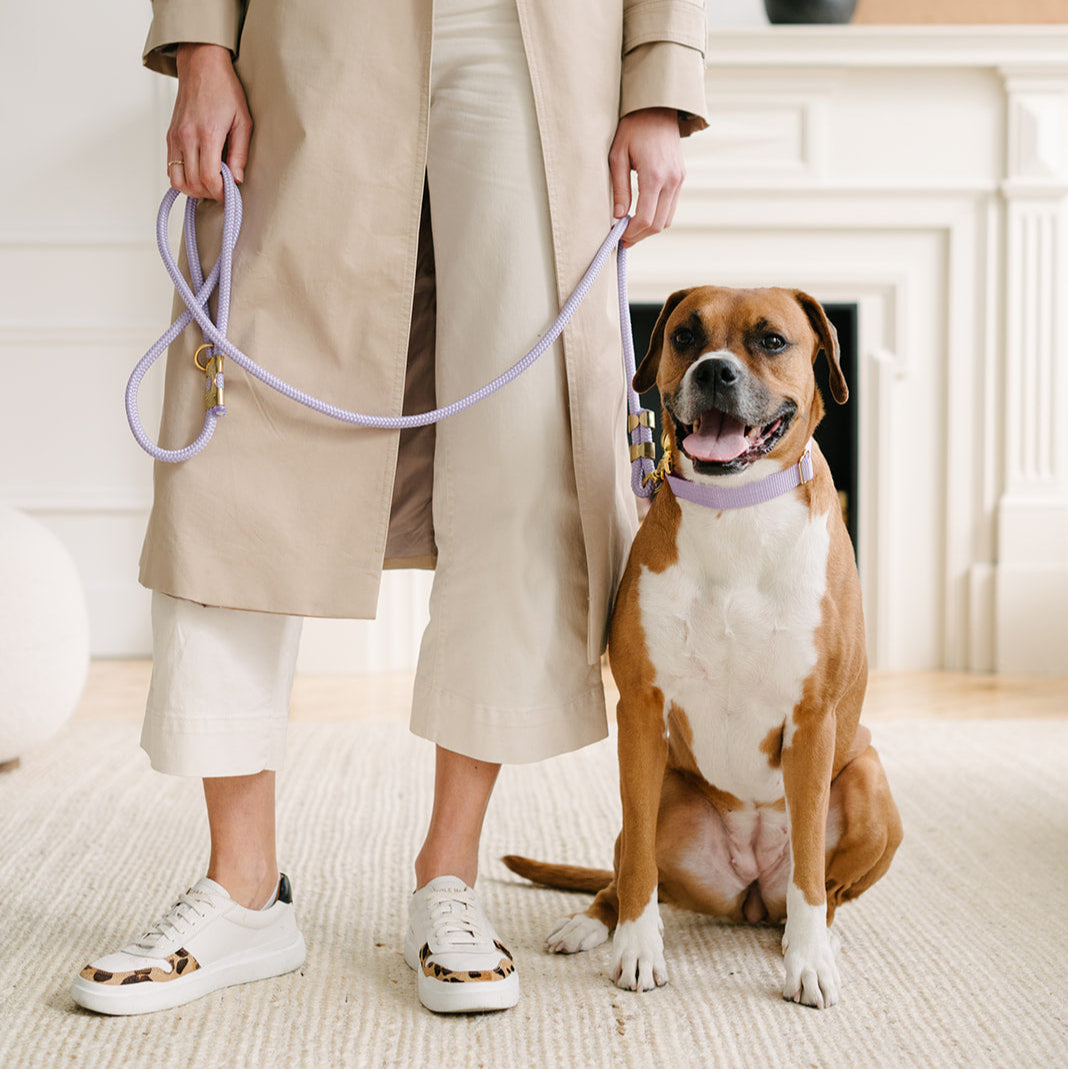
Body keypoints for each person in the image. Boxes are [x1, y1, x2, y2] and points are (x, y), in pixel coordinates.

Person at [71, 0, 708, 1016]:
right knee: (239, 437)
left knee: (524, 450)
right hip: (310, 26)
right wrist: (200, 42)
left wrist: (664, 76)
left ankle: (447, 878)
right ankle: (242, 890)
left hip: (543, 34)